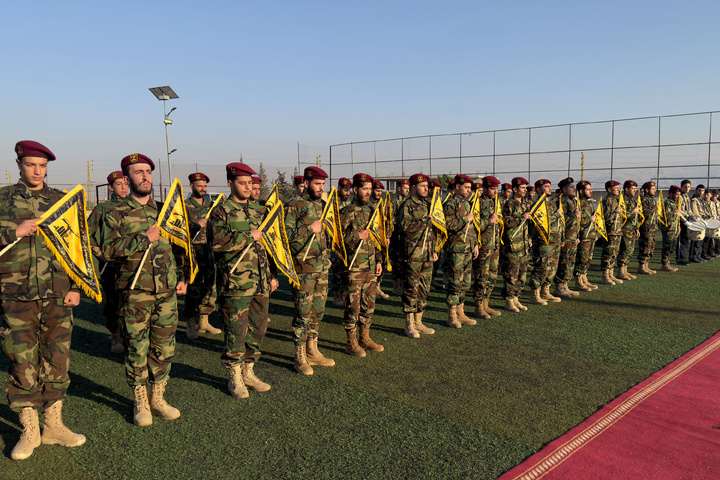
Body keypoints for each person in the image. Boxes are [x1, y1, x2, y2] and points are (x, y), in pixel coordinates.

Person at [0, 140, 85, 460]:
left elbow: (78, 247)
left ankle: (53, 424)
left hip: (58, 293)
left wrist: (76, 285)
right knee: (22, 360)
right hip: (16, 294)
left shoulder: (60, 202)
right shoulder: (3, 199)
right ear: (19, 164)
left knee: (57, 358)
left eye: (43, 166)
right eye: (31, 164)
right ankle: (29, 428)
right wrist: (14, 233)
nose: (38, 171)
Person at [100, 153, 189, 427]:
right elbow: (105, 251)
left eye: (148, 171)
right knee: (137, 348)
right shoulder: (113, 212)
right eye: (138, 172)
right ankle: (140, 401)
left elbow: (179, 247)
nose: (145, 176)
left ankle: (158, 397)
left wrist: (183, 276)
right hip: (134, 291)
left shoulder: (164, 211)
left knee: (164, 346)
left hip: (166, 292)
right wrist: (142, 239)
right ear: (127, 179)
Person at [208, 163, 279, 398]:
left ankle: (249, 371)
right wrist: (248, 236)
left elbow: (270, 246)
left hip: (261, 281)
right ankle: (234, 377)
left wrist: (273, 275)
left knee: (258, 329)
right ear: (230, 184)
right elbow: (217, 243)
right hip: (236, 283)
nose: (248, 187)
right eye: (242, 183)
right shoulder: (221, 211)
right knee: (235, 331)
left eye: (250, 183)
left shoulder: (259, 210)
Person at [285, 166, 334, 375]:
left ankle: (312, 350)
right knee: (303, 313)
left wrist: (327, 255)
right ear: (306, 183)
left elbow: (327, 234)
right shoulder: (294, 205)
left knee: (317, 312)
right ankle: (299, 356)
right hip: (302, 269)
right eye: (317, 184)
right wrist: (308, 229)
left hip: (321, 267)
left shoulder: (323, 205)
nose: (321, 188)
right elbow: (285, 234)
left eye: (323, 184)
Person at [339, 173, 384, 356]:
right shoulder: (347, 211)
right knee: (353, 306)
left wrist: (379, 260)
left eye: (369, 189)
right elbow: (338, 240)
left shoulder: (373, 209)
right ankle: (351, 342)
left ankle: (365, 338)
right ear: (355, 190)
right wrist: (357, 235)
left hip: (370, 265)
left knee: (369, 304)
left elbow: (377, 237)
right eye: (364, 189)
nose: (368, 192)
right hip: (353, 266)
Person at [88, 170, 129, 353]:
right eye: (119, 184)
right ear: (111, 188)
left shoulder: (135, 207)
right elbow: (86, 235)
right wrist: (99, 254)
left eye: (126, 183)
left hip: (133, 264)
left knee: (132, 302)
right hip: (110, 264)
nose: (124, 187)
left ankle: (131, 336)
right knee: (113, 302)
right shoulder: (102, 209)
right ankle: (115, 336)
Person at [395, 173, 437, 338]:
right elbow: (405, 227)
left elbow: (432, 231)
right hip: (412, 254)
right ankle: (409, 324)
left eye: (427, 186)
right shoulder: (407, 206)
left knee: (424, 288)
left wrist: (433, 250)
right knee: (411, 289)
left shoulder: (428, 204)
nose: (426, 188)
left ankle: (419, 321)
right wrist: (425, 221)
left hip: (427, 253)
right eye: (422, 186)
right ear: (413, 188)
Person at [184, 172, 222, 339]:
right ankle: (190, 323)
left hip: (209, 249)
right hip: (193, 251)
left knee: (210, 286)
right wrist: (195, 225)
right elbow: (178, 230)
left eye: (205, 186)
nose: (203, 189)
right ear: (191, 186)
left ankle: (204, 321)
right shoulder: (184, 206)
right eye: (199, 186)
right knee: (193, 288)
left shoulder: (211, 206)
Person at [443, 174, 479, 328]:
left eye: (470, 188)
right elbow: (447, 224)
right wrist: (465, 219)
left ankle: (460, 311)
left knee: (465, 282)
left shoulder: (467, 203)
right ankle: (452, 315)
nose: (469, 191)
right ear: (457, 187)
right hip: (456, 248)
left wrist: (476, 244)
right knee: (455, 282)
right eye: (466, 187)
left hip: (468, 247)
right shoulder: (450, 203)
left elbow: (471, 227)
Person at [527, 179, 563, 306]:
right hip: (543, 242)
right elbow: (542, 221)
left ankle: (545, 291)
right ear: (538, 190)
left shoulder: (551, 204)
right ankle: (535, 294)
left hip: (554, 242)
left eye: (549, 186)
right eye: (546, 186)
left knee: (552, 268)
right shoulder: (537, 205)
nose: (549, 189)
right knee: (542, 268)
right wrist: (557, 216)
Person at [472, 175, 503, 319]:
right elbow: (476, 225)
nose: (495, 191)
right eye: (492, 188)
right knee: (482, 277)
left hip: (495, 245)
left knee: (492, 276)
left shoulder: (495, 203)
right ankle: (479, 307)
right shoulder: (478, 203)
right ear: (484, 188)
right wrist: (490, 221)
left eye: (496, 189)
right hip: (484, 246)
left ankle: (486, 304)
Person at [500, 177, 532, 312]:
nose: (525, 190)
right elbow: (505, 222)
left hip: (524, 245)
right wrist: (521, 218)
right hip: (512, 245)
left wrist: (529, 238)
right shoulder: (509, 204)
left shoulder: (526, 203)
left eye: (525, 188)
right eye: (523, 188)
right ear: (515, 189)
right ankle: (509, 301)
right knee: (511, 275)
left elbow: (528, 225)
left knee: (522, 275)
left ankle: (516, 298)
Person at [552, 177, 581, 299]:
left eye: (574, 187)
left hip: (573, 237)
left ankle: (565, 285)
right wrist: (574, 217)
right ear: (564, 190)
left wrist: (577, 235)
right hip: (565, 237)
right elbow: (561, 221)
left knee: (570, 261)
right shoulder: (561, 202)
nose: (574, 189)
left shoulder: (573, 201)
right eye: (571, 187)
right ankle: (559, 287)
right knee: (564, 261)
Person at [332, 177, 353, 307]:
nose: (347, 193)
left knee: (345, 269)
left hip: (345, 240)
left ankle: (343, 294)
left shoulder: (348, 204)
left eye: (349, 190)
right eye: (345, 190)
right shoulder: (332, 203)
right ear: (339, 188)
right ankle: (336, 296)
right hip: (335, 240)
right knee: (336, 270)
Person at [573, 181, 598, 290]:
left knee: (588, 259)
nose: (591, 191)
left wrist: (594, 233)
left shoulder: (588, 203)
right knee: (582, 259)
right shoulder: (578, 203)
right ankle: (579, 281)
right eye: (588, 189)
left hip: (590, 235)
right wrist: (589, 220)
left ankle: (584, 278)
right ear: (581, 191)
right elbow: (577, 220)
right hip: (583, 235)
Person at [600, 180, 625, 285]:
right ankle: (605, 276)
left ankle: (611, 274)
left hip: (617, 231)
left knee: (614, 254)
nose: (618, 189)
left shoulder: (615, 200)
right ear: (609, 190)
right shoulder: (607, 201)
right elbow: (605, 217)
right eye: (616, 188)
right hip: (611, 232)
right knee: (608, 253)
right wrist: (616, 212)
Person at [616, 180, 641, 280]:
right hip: (625, 229)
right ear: (626, 189)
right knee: (625, 250)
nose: (635, 191)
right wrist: (633, 211)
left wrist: (637, 228)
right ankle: (621, 271)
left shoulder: (632, 200)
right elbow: (623, 216)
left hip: (632, 230)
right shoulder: (622, 201)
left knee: (630, 251)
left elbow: (635, 218)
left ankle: (625, 270)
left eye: (635, 189)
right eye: (633, 189)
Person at [370, 180, 390, 299]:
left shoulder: (381, 203)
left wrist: (386, 236)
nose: (379, 193)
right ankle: (373, 289)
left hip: (380, 238)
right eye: (377, 191)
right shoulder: (369, 204)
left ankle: (377, 286)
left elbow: (385, 221)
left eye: (380, 191)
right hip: (370, 238)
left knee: (380, 262)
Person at [391, 178, 410, 295]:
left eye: (408, 189)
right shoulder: (394, 202)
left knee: (403, 261)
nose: (407, 191)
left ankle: (402, 284)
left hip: (405, 236)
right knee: (396, 261)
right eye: (405, 188)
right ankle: (396, 285)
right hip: (396, 235)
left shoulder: (408, 202)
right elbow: (391, 218)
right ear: (399, 189)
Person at [637, 181, 659, 274]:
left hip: (652, 228)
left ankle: (646, 265)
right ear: (647, 190)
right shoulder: (643, 200)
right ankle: (642, 267)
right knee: (645, 247)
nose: (654, 191)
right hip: (646, 228)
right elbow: (645, 213)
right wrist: (655, 207)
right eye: (653, 189)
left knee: (651, 247)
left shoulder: (652, 200)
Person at [659, 186, 681, 272]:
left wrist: (678, 227)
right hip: (669, 229)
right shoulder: (668, 203)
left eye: (679, 194)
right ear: (671, 193)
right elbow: (666, 215)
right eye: (676, 194)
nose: (678, 196)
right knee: (667, 247)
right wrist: (675, 213)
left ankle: (667, 264)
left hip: (674, 228)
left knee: (671, 247)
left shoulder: (674, 203)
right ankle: (665, 264)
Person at [675, 179, 692, 265]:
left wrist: (693, 217)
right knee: (681, 241)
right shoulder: (680, 197)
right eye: (685, 187)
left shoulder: (687, 197)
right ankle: (680, 259)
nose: (687, 188)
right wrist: (685, 221)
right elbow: (679, 211)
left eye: (688, 187)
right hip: (681, 221)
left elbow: (688, 210)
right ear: (681, 187)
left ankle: (684, 257)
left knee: (686, 239)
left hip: (687, 220)